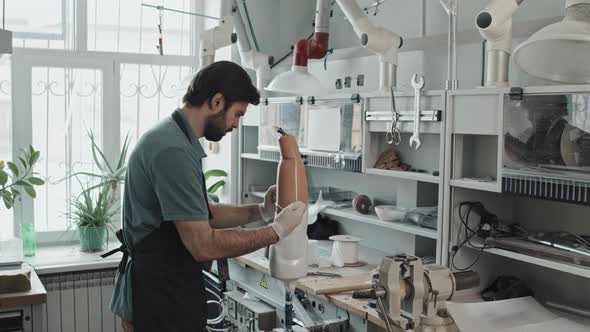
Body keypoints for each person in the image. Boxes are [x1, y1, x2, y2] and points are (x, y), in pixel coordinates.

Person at [107, 61, 306, 332]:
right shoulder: (172, 151)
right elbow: (203, 245)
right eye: (237, 114)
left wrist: (260, 210)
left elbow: (202, 213)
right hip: (160, 297)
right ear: (216, 102)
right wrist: (276, 231)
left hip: (167, 286)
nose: (236, 125)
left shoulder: (176, 139)